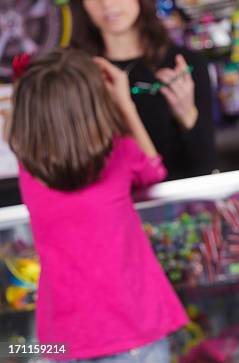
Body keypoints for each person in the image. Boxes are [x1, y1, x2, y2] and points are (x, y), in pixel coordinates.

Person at [9, 48, 187, 361]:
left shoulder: (29, 169)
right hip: (134, 330)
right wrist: (125, 102)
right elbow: (155, 169)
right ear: (94, 107)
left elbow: (17, 126)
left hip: (59, 341)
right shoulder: (120, 155)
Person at [69, 0, 215, 180]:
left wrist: (187, 114)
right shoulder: (79, 75)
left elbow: (206, 167)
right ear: (81, 5)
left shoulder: (185, 65)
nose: (107, 4)